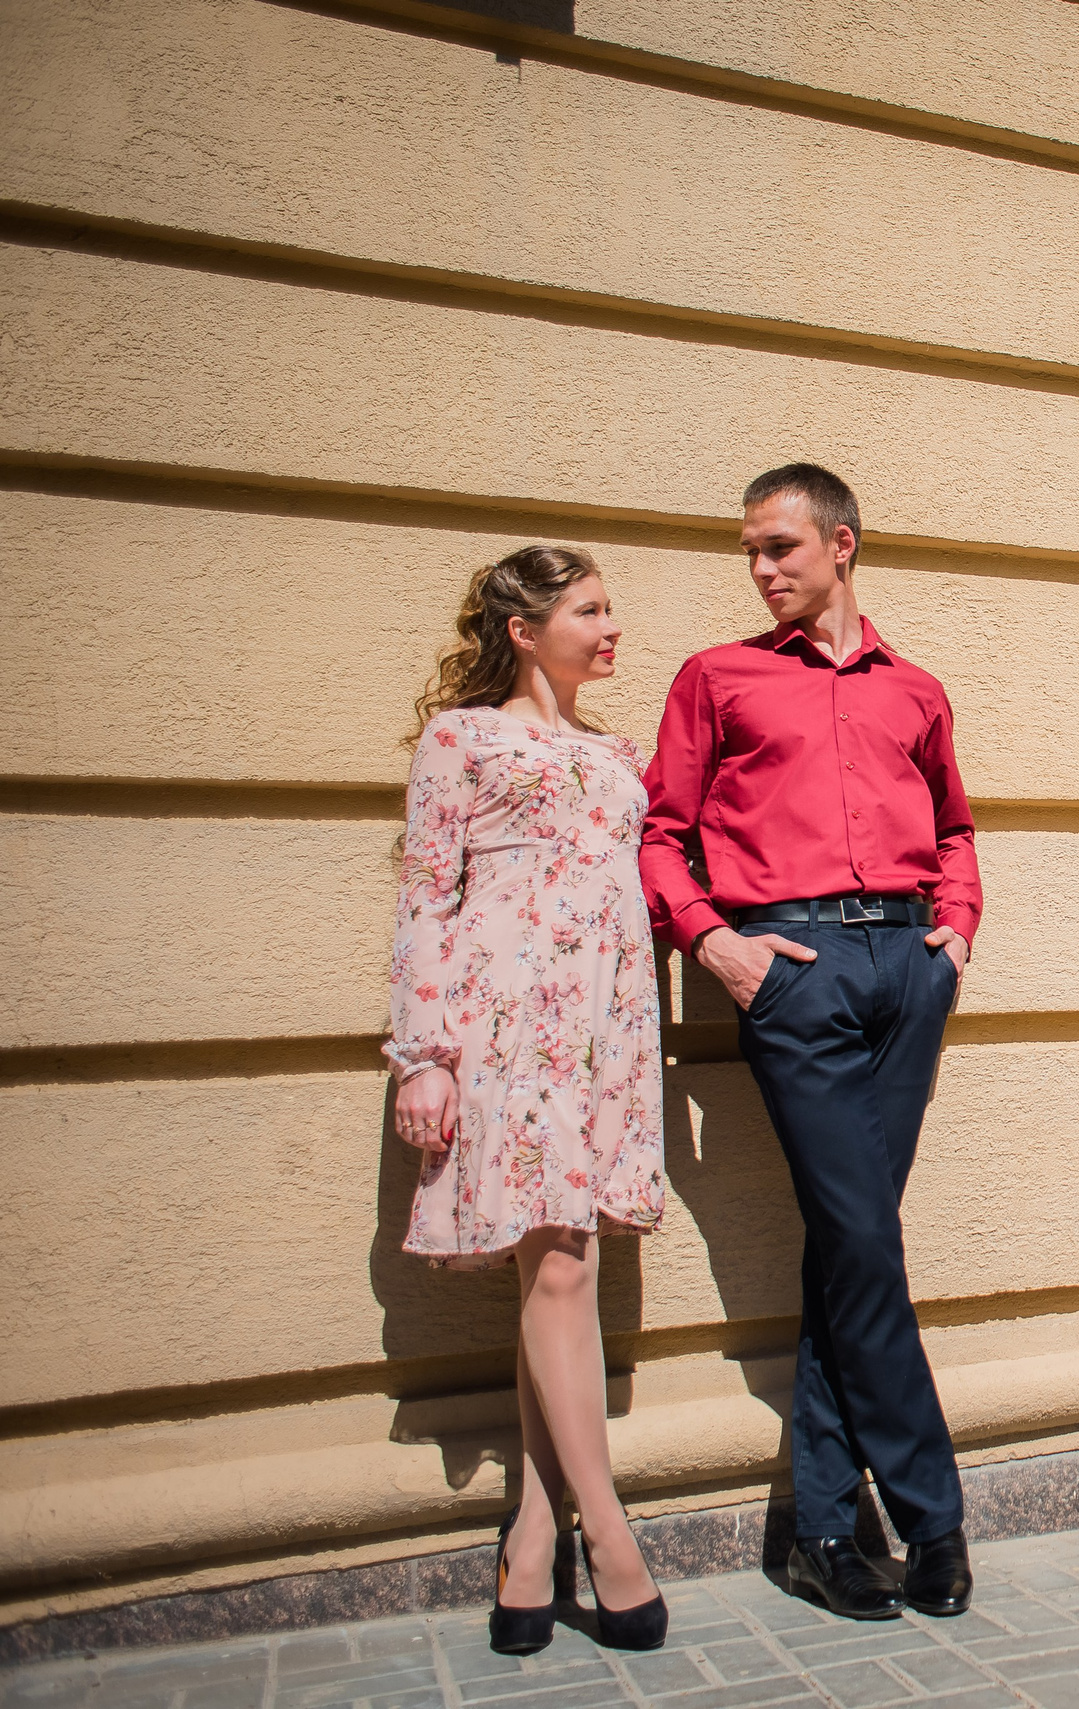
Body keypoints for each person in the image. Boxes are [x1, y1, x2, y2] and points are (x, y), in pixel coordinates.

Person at [639, 463, 980, 1621]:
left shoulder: (917, 690)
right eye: (749, 550)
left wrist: (956, 932)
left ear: (843, 544)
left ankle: (827, 1528)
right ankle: (934, 1515)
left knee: (853, 1245)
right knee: (859, 1237)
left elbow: (956, 828)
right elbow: (660, 835)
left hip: (907, 968)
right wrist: (715, 945)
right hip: (793, 972)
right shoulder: (717, 678)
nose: (760, 568)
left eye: (779, 545)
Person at [388, 546, 670, 1655]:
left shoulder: (615, 751)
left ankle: (533, 1536)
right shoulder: (459, 740)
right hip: (499, 1026)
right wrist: (423, 1054)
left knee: (562, 1264)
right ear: (524, 627)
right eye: (590, 610)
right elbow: (425, 893)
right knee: (556, 1264)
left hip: (604, 1028)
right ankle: (609, 1534)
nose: (611, 628)